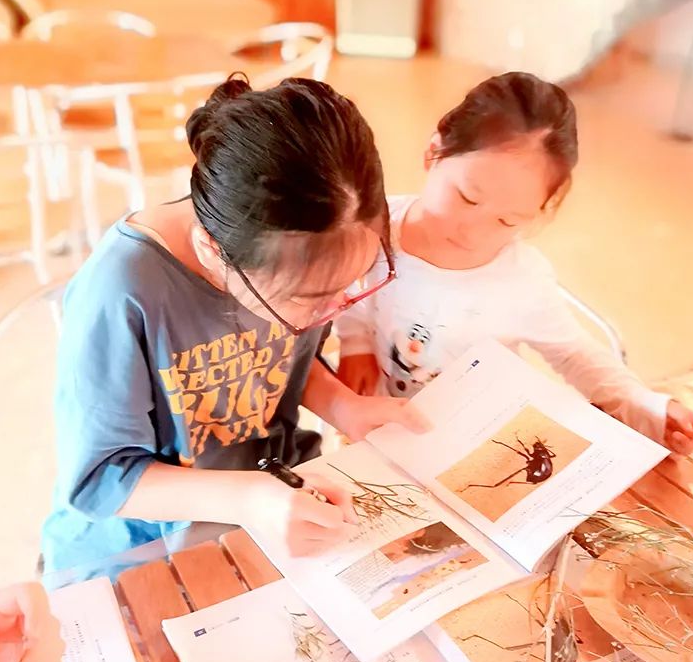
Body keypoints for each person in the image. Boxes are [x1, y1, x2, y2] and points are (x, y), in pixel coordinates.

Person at [43, 75, 424, 574]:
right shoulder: (121, 293)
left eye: (349, 283)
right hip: (142, 549)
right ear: (210, 250)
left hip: (270, 500)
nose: (334, 310)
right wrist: (248, 499)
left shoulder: (306, 248)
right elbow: (99, 479)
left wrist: (342, 405)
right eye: (308, 300)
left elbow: (281, 360)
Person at [336, 71, 693, 454]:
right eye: (467, 197)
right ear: (435, 152)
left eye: (507, 221)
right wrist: (355, 343)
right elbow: (350, 293)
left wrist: (648, 408)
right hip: (384, 437)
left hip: (478, 444)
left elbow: (573, 354)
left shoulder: (521, 278)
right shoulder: (373, 229)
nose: (473, 231)